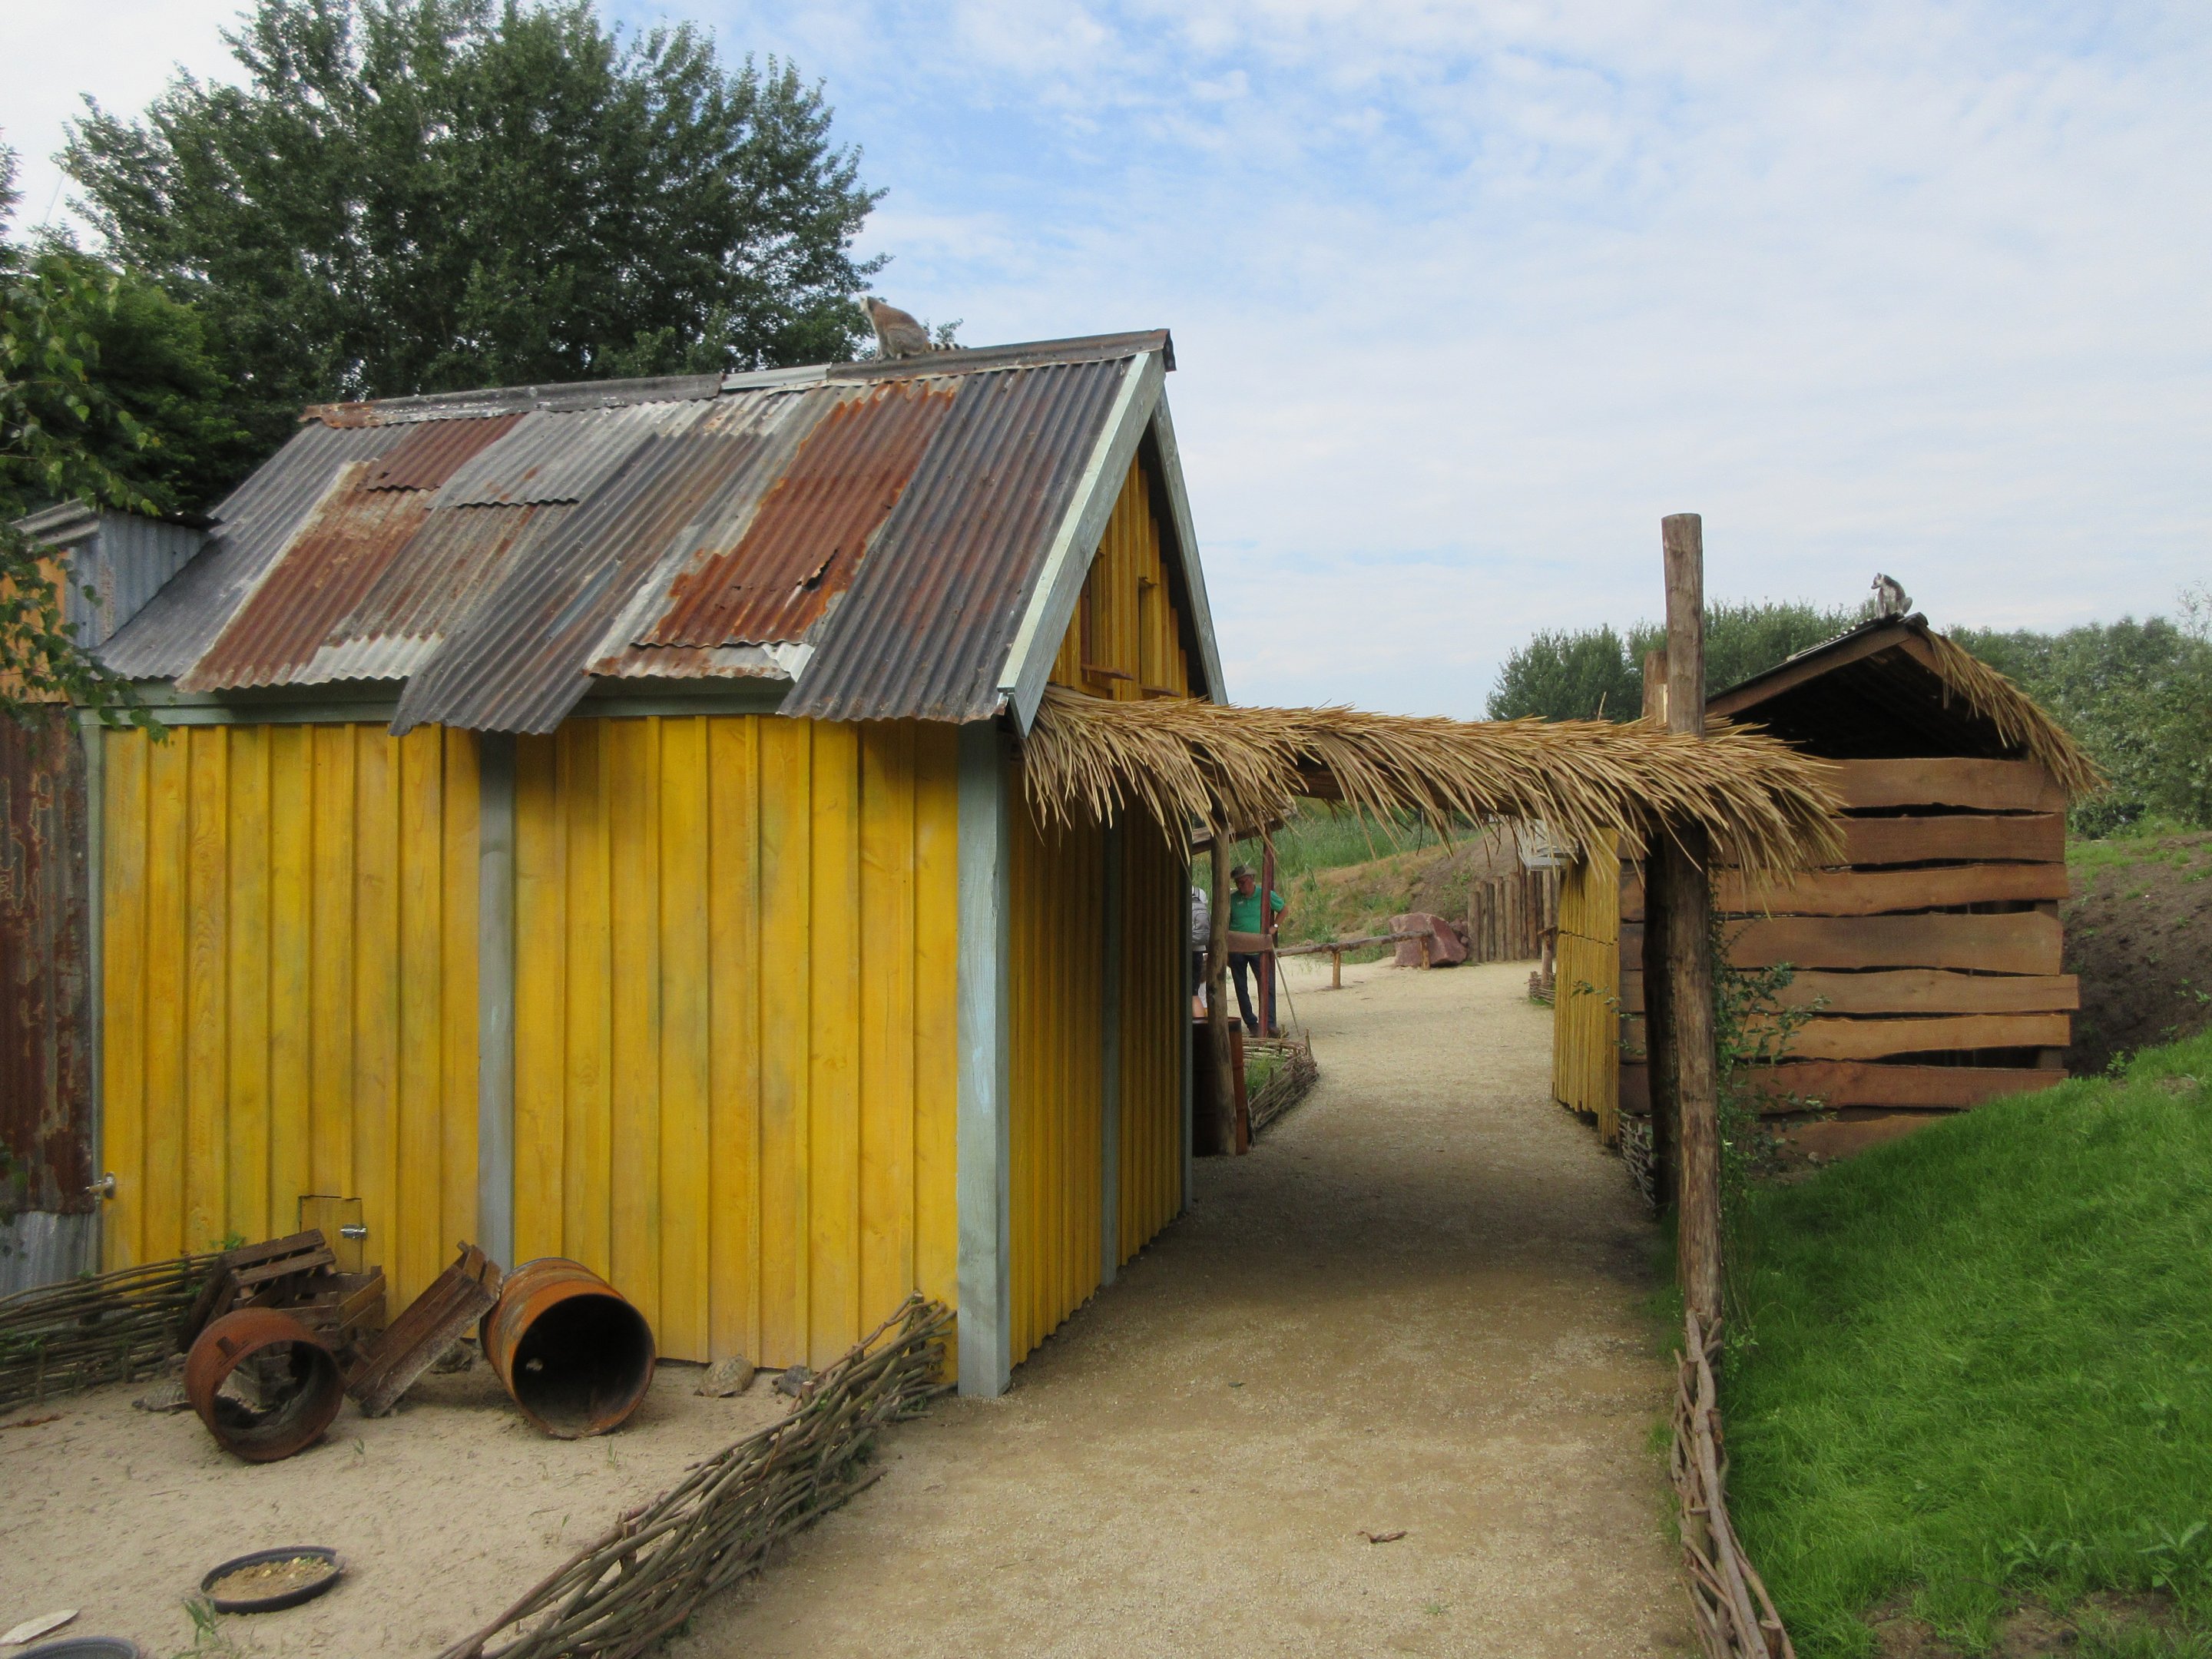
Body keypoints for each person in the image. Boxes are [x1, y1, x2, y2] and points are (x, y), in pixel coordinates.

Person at [1226, 863, 1286, 1036]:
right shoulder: (1232, 899)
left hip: (1259, 948)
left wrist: (1274, 927)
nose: (1240, 886)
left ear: (1252, 879)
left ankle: (1269, 1023)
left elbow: (1284, 909)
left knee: (1267, 985)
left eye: (1243, 882)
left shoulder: (1265, 895)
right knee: (1241, 987)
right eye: (1237, 883)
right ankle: (1251, 1023)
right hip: (1237, 949)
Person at [1189, 882, 1211, 1018]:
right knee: (1194, 994)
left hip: (1178, 949)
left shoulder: (1173, 891)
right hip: (1198, 948)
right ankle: (1200, 1027)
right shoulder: (1200, 893)